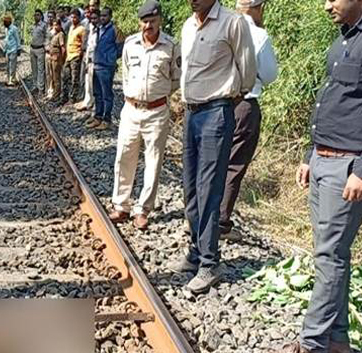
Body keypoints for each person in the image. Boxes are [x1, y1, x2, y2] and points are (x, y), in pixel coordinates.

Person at [263, 0, 362, 353]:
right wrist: (310, 153)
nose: (326, 5)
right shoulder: (343, 40)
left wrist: (361, 169)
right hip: (323, 158)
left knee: (329, 255)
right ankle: (337, 339)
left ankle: (312, 346)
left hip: (347, 166)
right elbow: (330, 99)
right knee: (332, 255)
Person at [169, 0, 256, 294]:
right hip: (191, 112)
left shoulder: (233, 23)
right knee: (190, 188)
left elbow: (248, 72)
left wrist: (226, 101)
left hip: (217, 112)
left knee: (209, 189)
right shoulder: (188, 26)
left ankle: (210, 262)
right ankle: (196, 252)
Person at [110, 1, 181, 230]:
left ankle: (143, 209)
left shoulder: (171, 46)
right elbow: (126, 73)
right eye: (144, 21)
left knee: (153, 161)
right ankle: (121, 205)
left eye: (152, 21)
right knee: (124, 156)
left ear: (160, 20)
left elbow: (176, 78)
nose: (148, 25)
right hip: (131, 109)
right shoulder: (130, 44)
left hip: (157, 112)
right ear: (139, 22)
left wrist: (158, 95)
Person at [219, 0, 279, 242]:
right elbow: (270, 74)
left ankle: (197, 216)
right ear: (258, 7)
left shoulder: (220, 25)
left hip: (213, 103)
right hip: (243, 105)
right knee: (234, 164)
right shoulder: (258, 34)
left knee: (211, 161)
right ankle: (220, 222)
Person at [85, 7, 120, 131]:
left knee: (107, 95)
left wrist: (111, 58)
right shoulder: (99, 28)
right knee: (97, 93)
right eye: (102, 15)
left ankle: (107, 120)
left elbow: (120, 47)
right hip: (96, 65)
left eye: (105, 16)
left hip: (106, 67)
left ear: (110, 16)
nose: (103, 18)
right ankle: (98, 117)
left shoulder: (114, 30)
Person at [60, 9, 86, 105]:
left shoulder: (82, 29)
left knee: (75, 79)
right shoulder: (71, 27)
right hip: (68, 56)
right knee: (65, 77)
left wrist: (80, 55)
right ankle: (64, 97)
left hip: (76, 56)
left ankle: (73, 98)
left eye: (74, 17)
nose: (73, 19)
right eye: (71, 17)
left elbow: (83, 43)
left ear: (79, 17)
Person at [76, 8, 100, 113]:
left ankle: (95, 108)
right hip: (89, 59)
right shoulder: (91, 29)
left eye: (95, 18)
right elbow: (88, 45)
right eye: (92, 18)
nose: (93, 20)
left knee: (95, 85)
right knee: (88, 82)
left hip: (97, 61)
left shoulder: (101, 30)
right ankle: (88, 102)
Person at [29, 9, 48, 93]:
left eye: (38, 15)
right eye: (35, 15)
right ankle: (35, 85)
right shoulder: (33, 26)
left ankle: (41, 88)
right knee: (34, 69)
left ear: (41, 16)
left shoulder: (44, 25)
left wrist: (45, 46)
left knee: (40, 69)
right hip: (32, 49)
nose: (36, 16)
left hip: (40, 49)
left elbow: (47, 36)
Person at [48, 19, 67, 102]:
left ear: (60, 25)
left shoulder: (61, 34)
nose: (55, 27)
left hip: (57, 57)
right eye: (53, 25)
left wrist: (62, 59)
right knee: (53, 76)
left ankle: (57, 95)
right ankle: (54, 93)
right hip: (52, 57)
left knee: (56, 77)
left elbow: (63, 48)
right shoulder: (55, 35)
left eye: (56, 25)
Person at [3, 14, 21, 86]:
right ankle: (9, 79)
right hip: (8, 50)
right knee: (8, 66)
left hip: (13, 50)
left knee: (12, 66)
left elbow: (17, 39)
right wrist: (4, 49)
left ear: (9, 21)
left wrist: (18, 48)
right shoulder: (6, 29)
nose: (4, 23)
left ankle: (12, 80)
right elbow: (6, 40)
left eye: (5, 22)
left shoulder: (14, 29)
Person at [45, 9, 58, 97]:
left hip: (53, 54)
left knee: (54, 73)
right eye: (48, 17)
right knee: (47, 72)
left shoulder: (55, 29)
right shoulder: (46, 28)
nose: (50, 18)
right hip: (46, 53)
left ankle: (54, 90)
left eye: (51, 17)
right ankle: (48, 89)